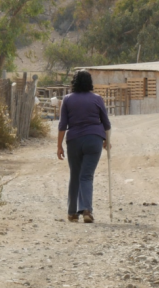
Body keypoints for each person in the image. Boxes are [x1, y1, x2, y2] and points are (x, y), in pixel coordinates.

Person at [56, 70, 111, 223]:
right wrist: (107, 140)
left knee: (75, 175)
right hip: (94, 140)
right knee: (86, 175)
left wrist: (59, 146)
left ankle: (72, 213)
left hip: (74, 140)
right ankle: (87, 210)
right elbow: (106, 123)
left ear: (74, 82)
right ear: (89, 83)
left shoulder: (67, 99)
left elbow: (62, 125)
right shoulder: (97, 99)